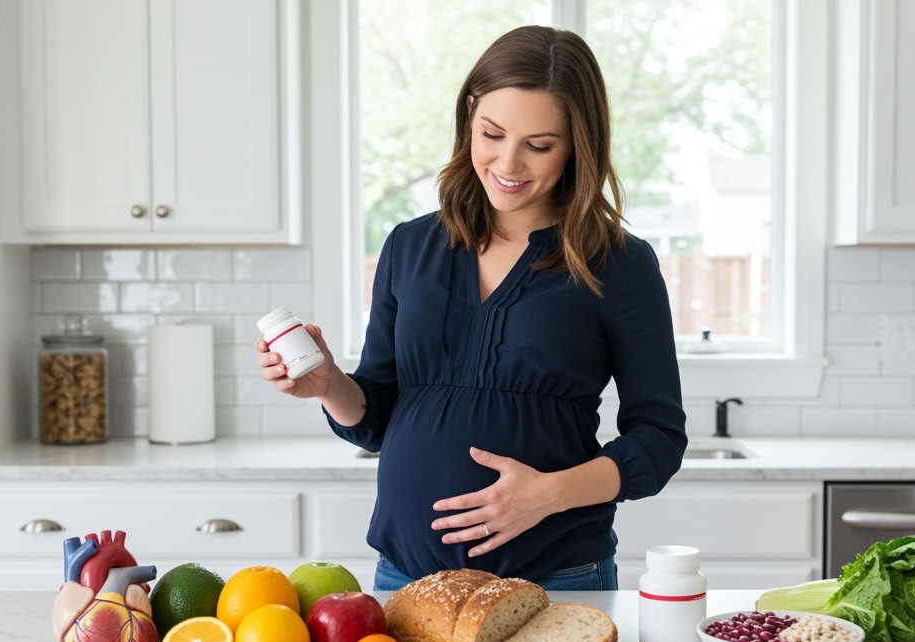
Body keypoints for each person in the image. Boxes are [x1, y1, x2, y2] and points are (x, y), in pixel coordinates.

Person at [257, 26, 686, 591]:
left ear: (578, 145)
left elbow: (658, 439)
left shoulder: (619, 263)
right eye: (493, 133)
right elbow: (379, 419)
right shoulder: (409, 247)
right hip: (403, 581)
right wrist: (331, 386)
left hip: (555, 583)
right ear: (469, 115)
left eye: (539, 145)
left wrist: (546, 496)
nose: (509, 163)